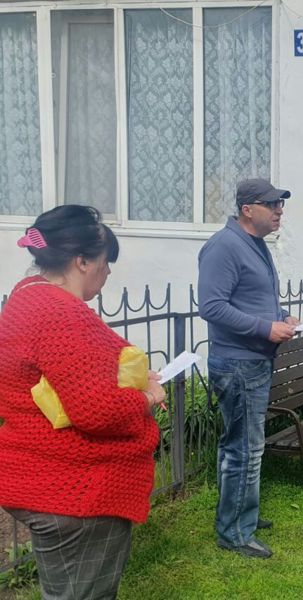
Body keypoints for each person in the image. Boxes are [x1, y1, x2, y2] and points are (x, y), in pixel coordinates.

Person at [0, 205, 166, 599]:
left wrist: (129, 377)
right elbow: (98, 410)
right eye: (105, 263)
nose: (107, 273)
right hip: (75, 492)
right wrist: (147, 397)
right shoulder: (62, 313)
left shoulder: (27, 295)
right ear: (82, 261)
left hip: (41, 473)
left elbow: (64, 378)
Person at [198, 179, 299, 559]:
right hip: (237, 363)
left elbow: (253, 299)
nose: (279, 211)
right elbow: (212, 306)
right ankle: (235, 533)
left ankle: (242, 515)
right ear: (247, 209)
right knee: (244, 449)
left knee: (242, 446)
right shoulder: (224, 246)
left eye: (280, 204)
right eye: (272, 204)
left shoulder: (255, 244)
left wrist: (281, 316)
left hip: (254, 362)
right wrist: (265, 328)